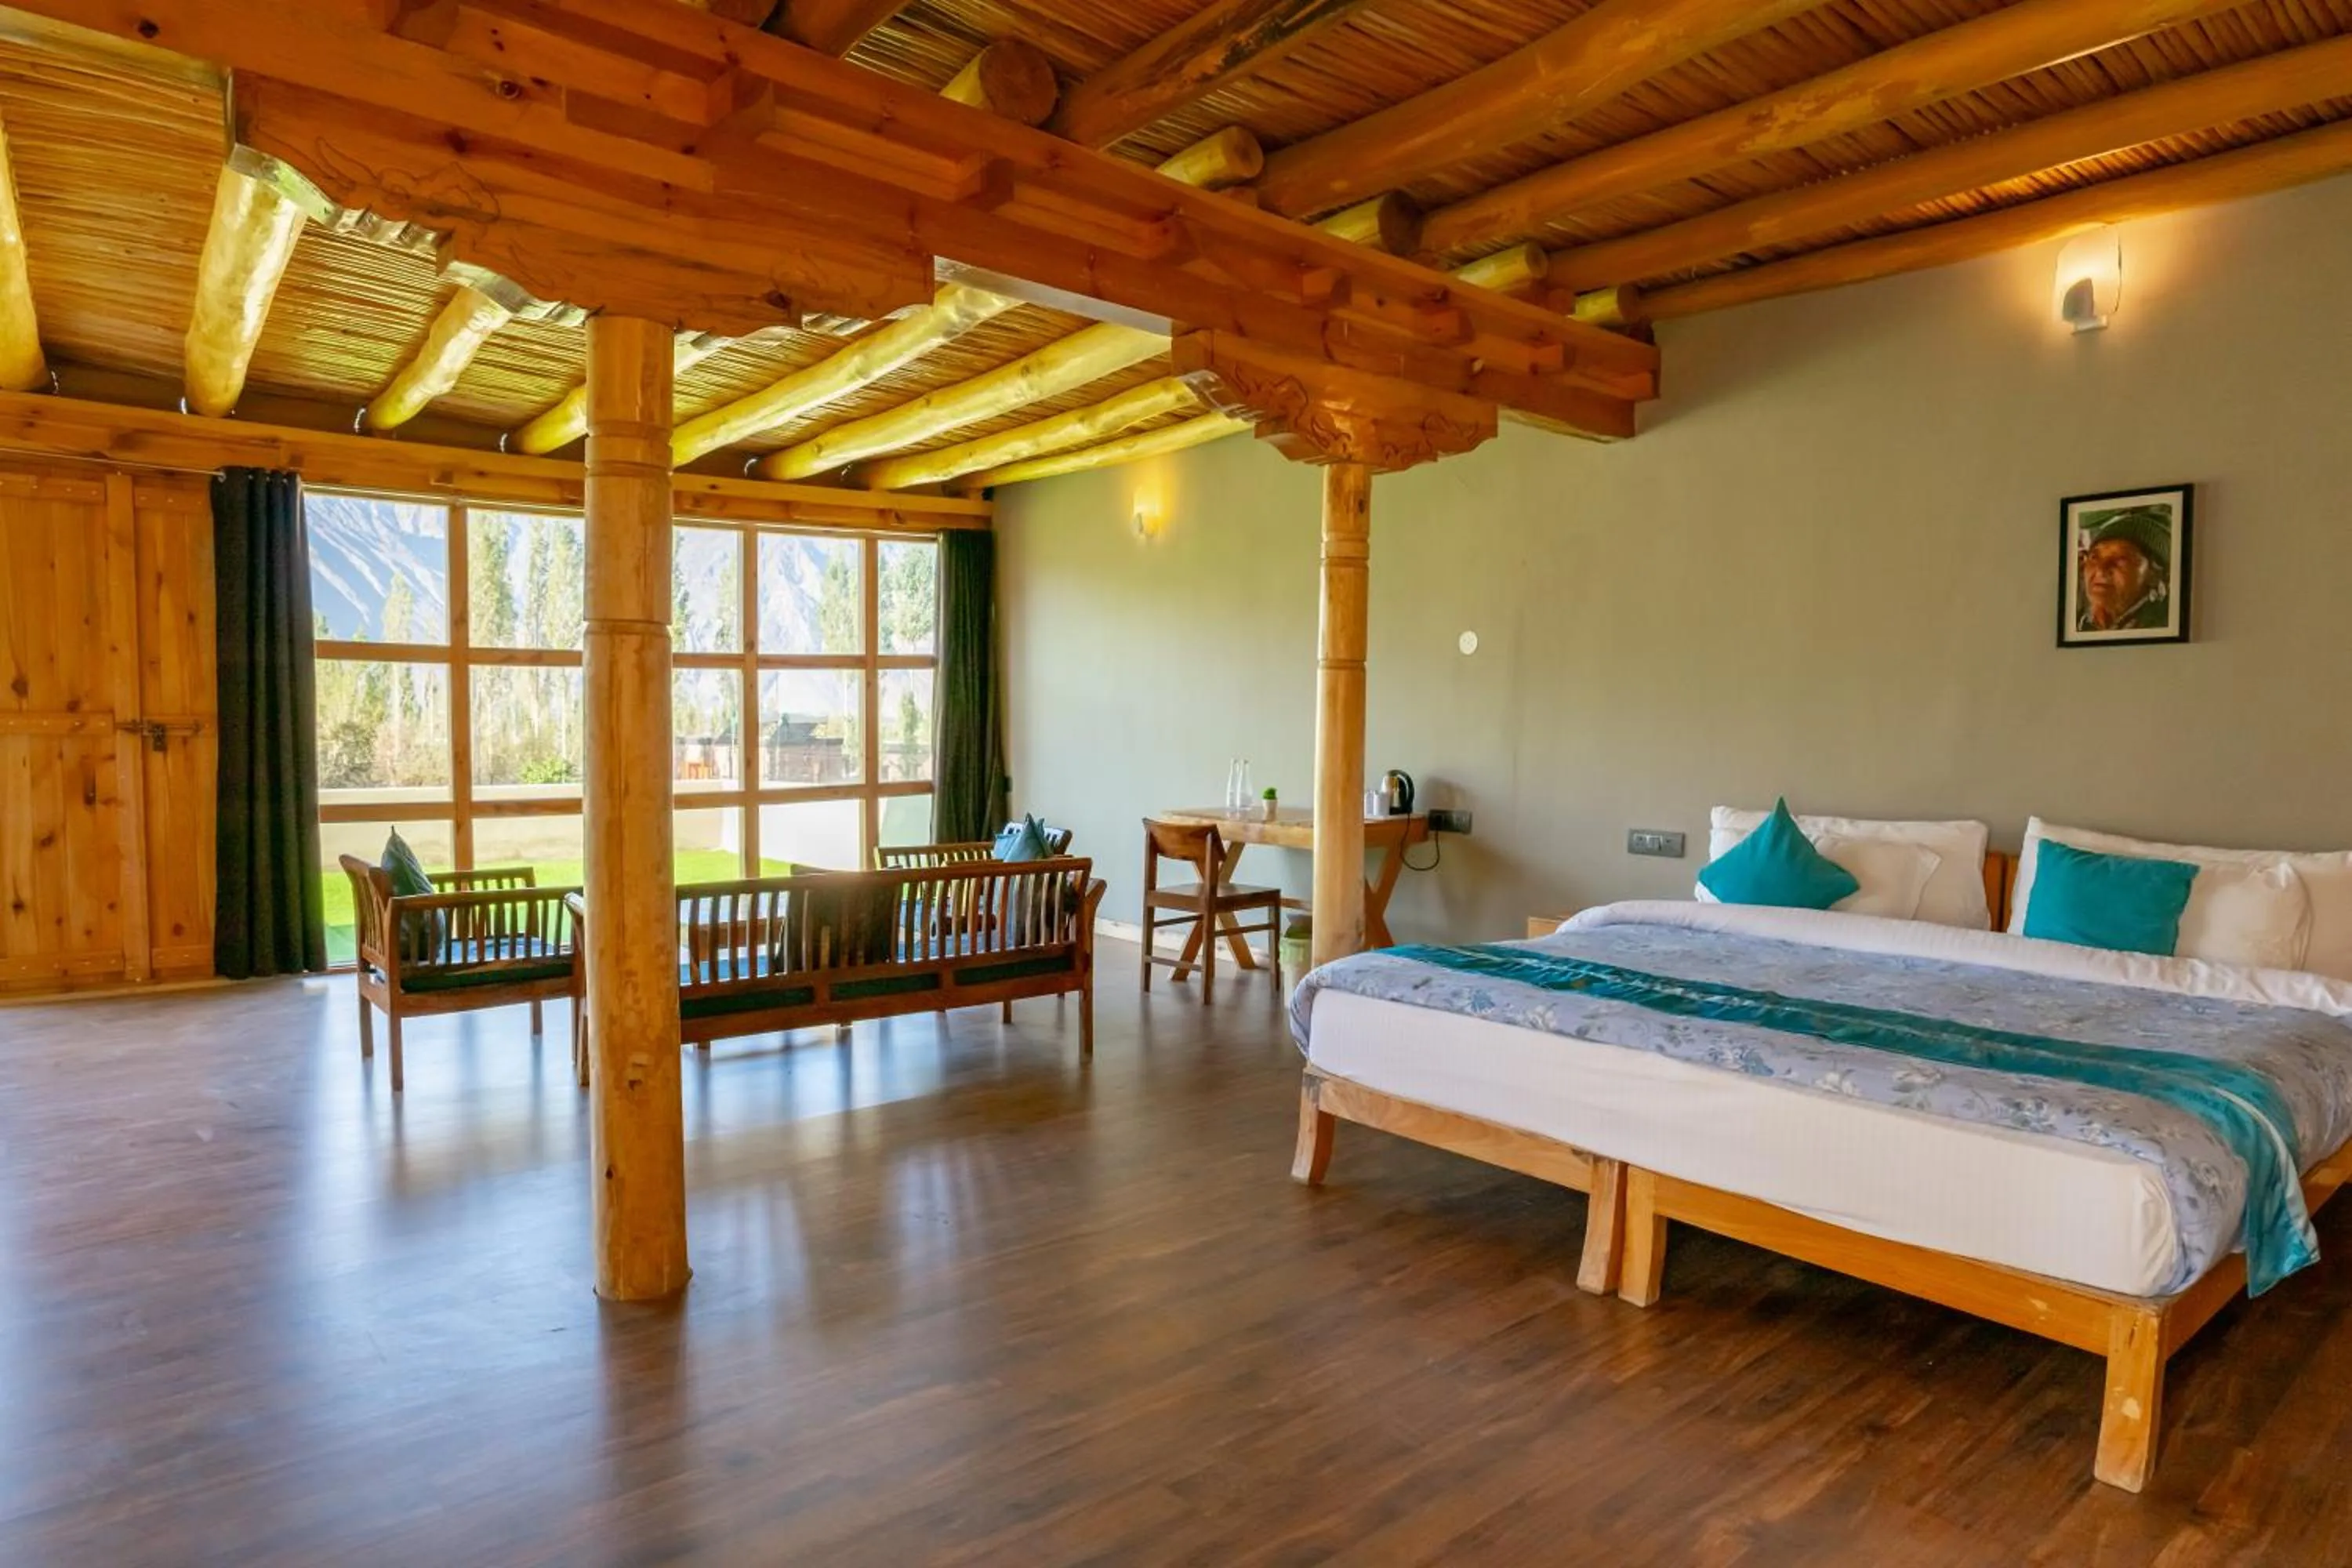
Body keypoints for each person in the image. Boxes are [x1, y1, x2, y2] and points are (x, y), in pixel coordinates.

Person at [2076, 506, 2172, 633]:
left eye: (2121, 559)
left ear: (2154, 574)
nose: (2101, 569)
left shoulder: (2163, 625)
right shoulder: (2076, 622)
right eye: (2094, 557)